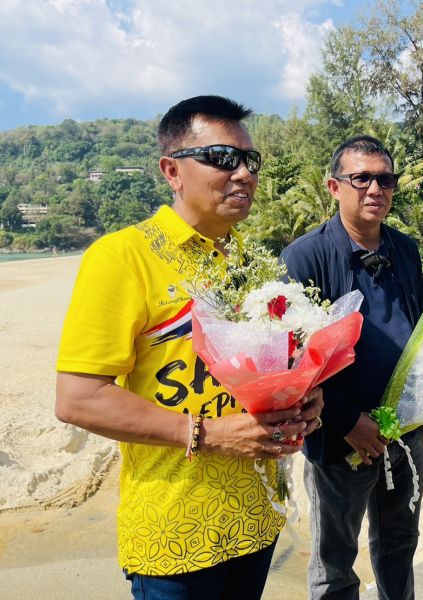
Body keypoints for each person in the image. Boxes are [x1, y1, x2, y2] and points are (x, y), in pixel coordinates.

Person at [55, 95, 323, 600]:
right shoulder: (122, 258)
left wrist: (307, 400)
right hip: (174, 534)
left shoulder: (254, 263)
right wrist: (212, 434)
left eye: (251, 161)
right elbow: (78, 397)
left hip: (256, 520)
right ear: (171, 170)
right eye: (223, 158)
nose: (243, 173)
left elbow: (274, 368)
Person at [280, 135, 423, 600]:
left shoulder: (404, 248)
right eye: (361, 178)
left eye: (385, 179)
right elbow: (290, 360)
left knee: (400, 542)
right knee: (334, 557)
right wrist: (348, 422)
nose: (374, 189)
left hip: (404, 429)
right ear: (333, 186)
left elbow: (420, 327)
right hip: (339, 436)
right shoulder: (305, 257)